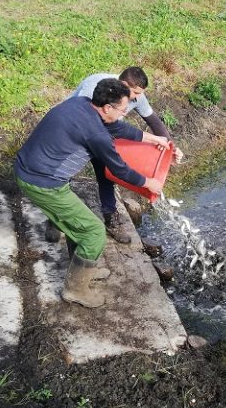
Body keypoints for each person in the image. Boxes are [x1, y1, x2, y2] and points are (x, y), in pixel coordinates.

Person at [15, 78, 168, 308]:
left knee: (80, 225)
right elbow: (119, 169)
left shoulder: (83, 104)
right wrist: (148, 183)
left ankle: (82, 270)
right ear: (107, 107)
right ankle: (75, 289)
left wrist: (154, 138)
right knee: (94, 232)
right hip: (43, 182)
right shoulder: (96, 134)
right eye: (123, 109)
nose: (125, 113)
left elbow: (118, 127)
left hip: (31, 169)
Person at [67, 66, 184, 244]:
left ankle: (110, 218)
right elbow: (87, 119)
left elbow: (154, 121)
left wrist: (170, 147)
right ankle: (56, 219)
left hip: (104, 131)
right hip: (75, 129)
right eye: (135, 92)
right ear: (124, 85)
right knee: (65, 171)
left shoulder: (137, 96)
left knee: (106, 173)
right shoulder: (94, 87)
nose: (137, 97)